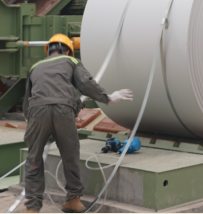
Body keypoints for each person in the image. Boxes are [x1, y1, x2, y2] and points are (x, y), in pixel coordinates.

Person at [22, 34, 133, 213]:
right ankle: (73, 200)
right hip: (63, 111)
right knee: (70, 155)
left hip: (37, 112)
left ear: (48, 51)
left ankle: (32, 208)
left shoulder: (35, 67)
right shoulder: (71, 61)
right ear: (67, 50)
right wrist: (107, 98)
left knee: (34, 158)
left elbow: (27, 99)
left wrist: (34, 123)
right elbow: (85, 83)